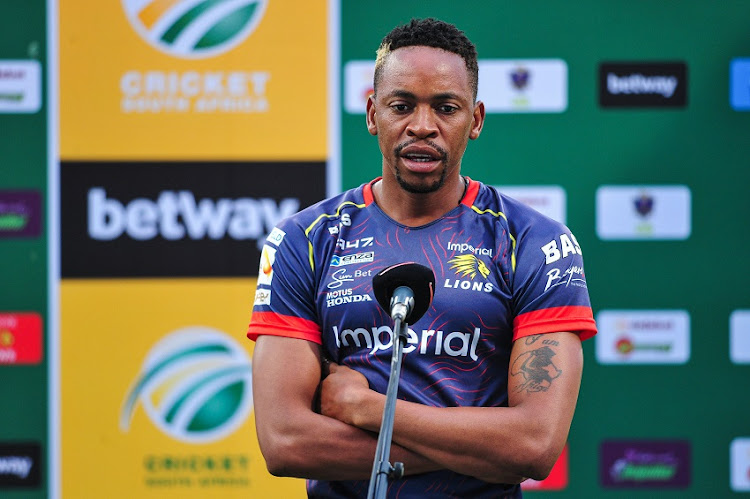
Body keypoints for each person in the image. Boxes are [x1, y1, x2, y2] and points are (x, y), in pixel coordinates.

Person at [247, 17, 597, 498]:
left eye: (446, 108)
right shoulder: (304, 239)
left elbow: (534, 447)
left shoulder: (535, 242)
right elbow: (285, 442)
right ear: (373, 114)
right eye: (402, 105)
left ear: (474, 120)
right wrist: (478, 453)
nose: (422, 126)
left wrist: (367, 409)